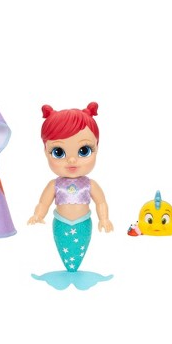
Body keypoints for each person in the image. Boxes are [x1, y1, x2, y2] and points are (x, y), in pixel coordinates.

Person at [28, 102, 113, 272]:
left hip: (83, 224)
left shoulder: (90, 184)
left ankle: (73, 270)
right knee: (66, 253)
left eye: (84, 151)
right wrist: (38, 214)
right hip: (61, 224)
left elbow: (101, 202)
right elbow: (43, 202)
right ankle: (69, 270)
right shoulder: (54, 185)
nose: (72, 160)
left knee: (77, 253)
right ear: (45, 151)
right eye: (58, 152)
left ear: (97, 147)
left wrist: (104, 218)